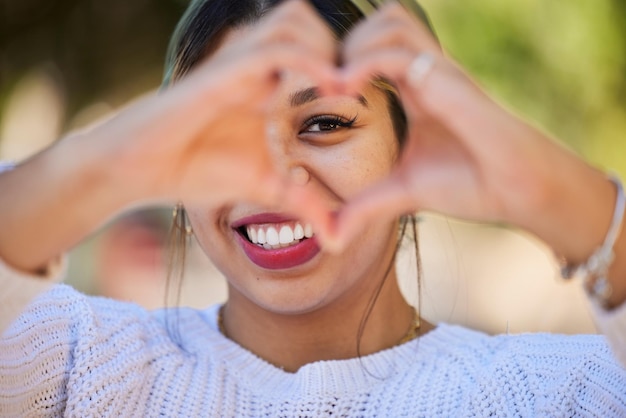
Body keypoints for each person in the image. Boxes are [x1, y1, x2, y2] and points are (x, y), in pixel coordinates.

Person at [1, 0, 625, 416]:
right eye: (223, 133)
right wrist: (103, 166)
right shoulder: (72, 369)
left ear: (415, 146)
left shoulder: (555, 394)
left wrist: (551, 195)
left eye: (325, 121)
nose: (275, 177)